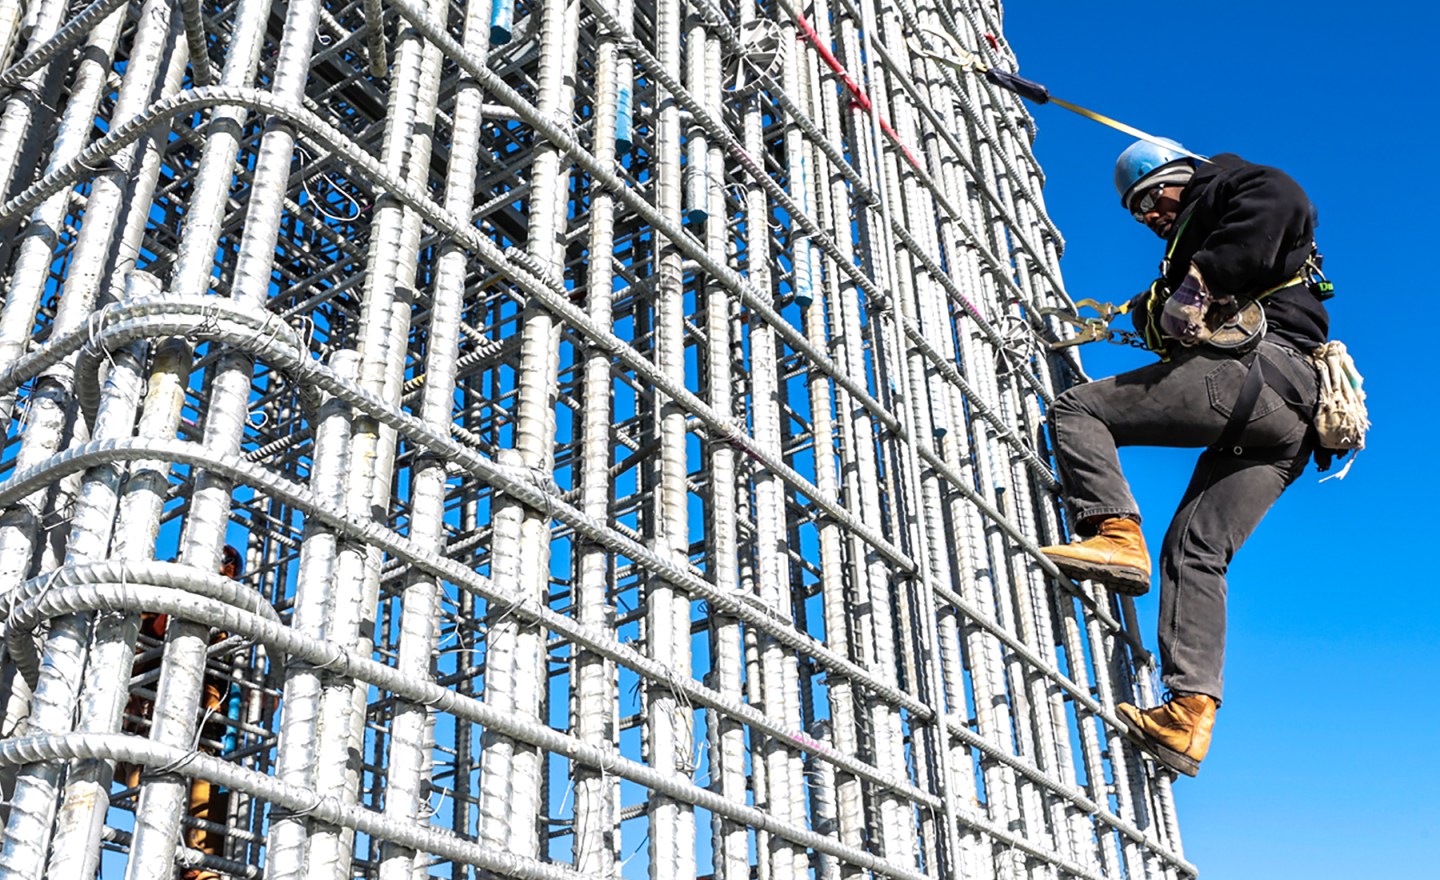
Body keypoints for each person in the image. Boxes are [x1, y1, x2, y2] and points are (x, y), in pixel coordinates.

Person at [1039, 139, 1330, 776]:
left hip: (1258, 376)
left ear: (1179, 177)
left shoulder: (1226, 187)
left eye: (1151, 199)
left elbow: (1282, 197)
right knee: (1196, 550)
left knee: (1079, 411)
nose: (1150, 216)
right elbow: (1166, 313)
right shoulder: (1189, 253)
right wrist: (1158, 308)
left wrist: (1200, 281)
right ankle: (1188, 715)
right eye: (1138, 212)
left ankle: (1114, 534)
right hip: (1290, 423)